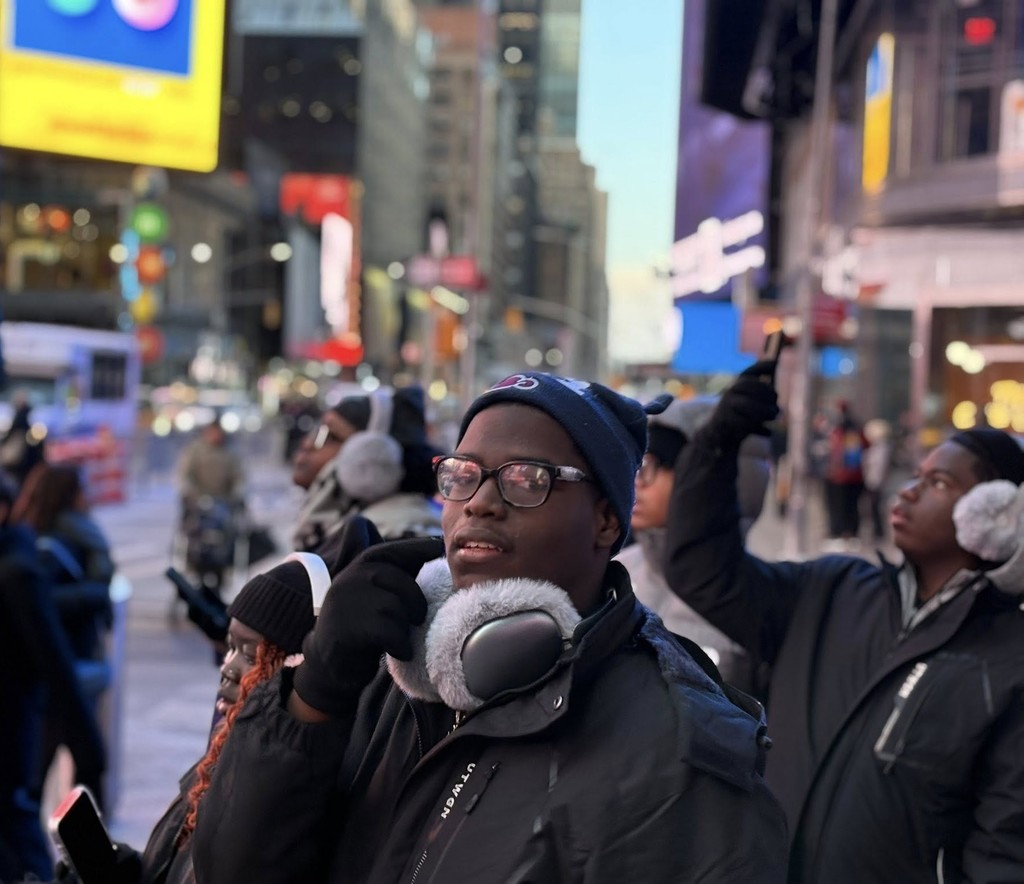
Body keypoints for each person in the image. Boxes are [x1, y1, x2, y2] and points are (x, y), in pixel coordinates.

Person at [189, 371, 788, 882]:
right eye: (462, 474)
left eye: (528, 478)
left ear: (607, 520)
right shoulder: (395, 667)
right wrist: (312, 695)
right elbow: (234, 869)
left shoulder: (680, 749)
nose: (479, 502)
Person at [663, 359, 1024, 883]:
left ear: (996, 518)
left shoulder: (1010, 661)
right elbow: (701, 568)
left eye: (938, 482)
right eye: (917, 475)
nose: (909, 491)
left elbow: (1004, 851)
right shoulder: (829, 589)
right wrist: (717, 445)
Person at [54, 518, 383, 884]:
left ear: (294, 668)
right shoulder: (219, 760)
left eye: (249, 652)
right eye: (230, 646)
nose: (227, 668)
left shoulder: (301, 789)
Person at [618, 396, 771, 696]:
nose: (638, 482)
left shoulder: (757, 599)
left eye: (652, 466)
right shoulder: (614, 572)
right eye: (636, 464)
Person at [0, 472, 105, 881]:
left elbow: (56, 665)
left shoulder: (17, 572)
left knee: (17, 824)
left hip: (10, 728)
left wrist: (89, 745)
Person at [292, 386, 442, 551]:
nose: (307, 444)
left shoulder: (391, 540)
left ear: (371, 460)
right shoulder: (348, 531)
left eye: (329, 436)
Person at [822, 400, 868, 546]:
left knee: (842, 506)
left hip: (843, 476)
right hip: (849, 476)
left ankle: (843, 533)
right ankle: (846, 532)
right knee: (848, 506)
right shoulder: (851, 429)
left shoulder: (843, 431)